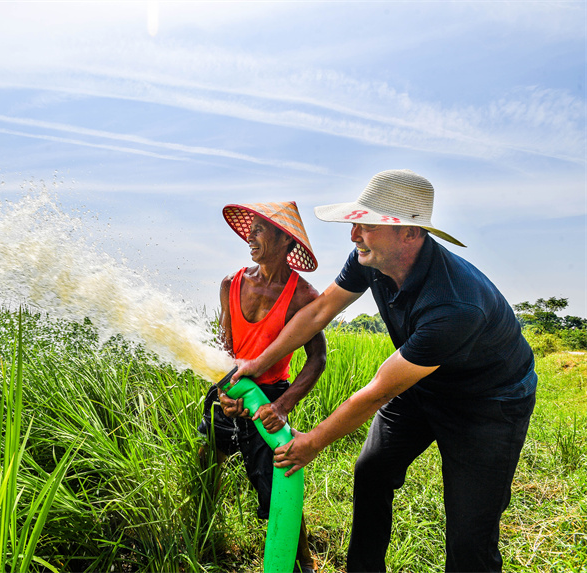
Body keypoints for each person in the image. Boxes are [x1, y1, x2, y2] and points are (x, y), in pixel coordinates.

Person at [232, 170, 537, 572]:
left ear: (409, 233)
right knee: (371, 472)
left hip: (487, 404)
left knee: (469, 530)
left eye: (367, 225)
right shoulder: (370, 258)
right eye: (355, 223)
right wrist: (258, 362)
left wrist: (311, 442)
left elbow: (378, 390)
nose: (354, 234)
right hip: (424, 387)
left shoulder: (455, 305)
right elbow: (321, 310)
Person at [198, 201, 327, 573]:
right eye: (249, 228)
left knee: (278, 478)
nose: (248, 236)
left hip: (268, 398)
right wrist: (224, 392)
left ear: (285, 240)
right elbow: (225, 347)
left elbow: (317, 360)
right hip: (229, 389)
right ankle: (203, 532)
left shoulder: (303, 297)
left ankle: (303, 561)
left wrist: (283, 405)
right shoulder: (231, 283)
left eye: (259, 229)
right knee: (209, 456)